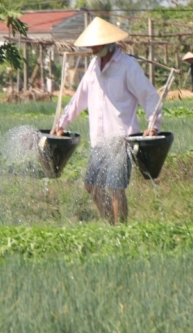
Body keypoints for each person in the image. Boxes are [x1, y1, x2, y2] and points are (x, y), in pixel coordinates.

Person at [52, 17, 161, 224]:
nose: (92, 49)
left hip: (121, 140)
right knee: (91, 185)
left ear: (108, 43)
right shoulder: (93, 67)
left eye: (96, 45)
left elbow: (149, 96)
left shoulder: (127, 66)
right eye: (91, 45)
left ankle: (121, 230)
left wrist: (153, 125)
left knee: (115, 188)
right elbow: (79, 99)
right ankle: (111, 226)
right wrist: (62, 123)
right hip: (99, 141)